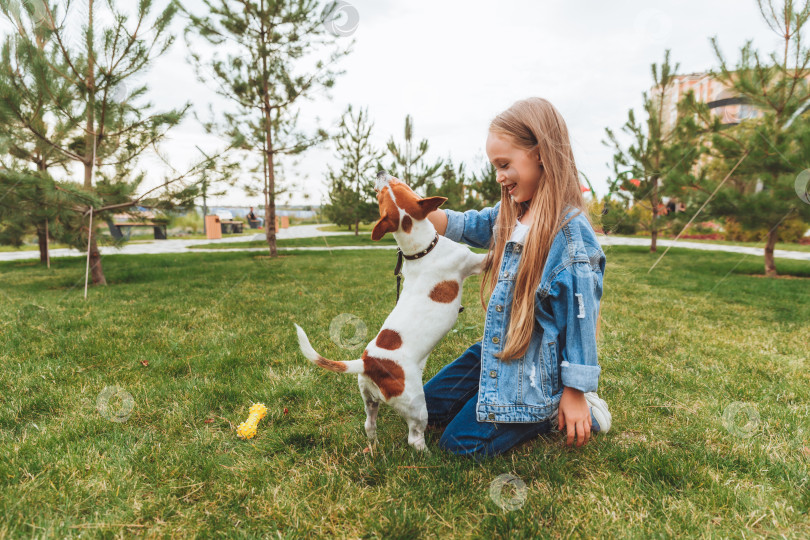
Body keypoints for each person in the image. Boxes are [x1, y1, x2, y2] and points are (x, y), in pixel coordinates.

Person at [423, 97, 611, 459]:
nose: (499, 177)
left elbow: (581, 319)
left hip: (535, 373)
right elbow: (473, 224)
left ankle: (564, 408)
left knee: (459, 446)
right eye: (495, 166)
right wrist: (418, 212)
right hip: (499, 352)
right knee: (426, 410)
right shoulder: (513, 211)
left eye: (505, 164)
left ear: (539, 153)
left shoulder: (570, 235)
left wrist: (575, 391)